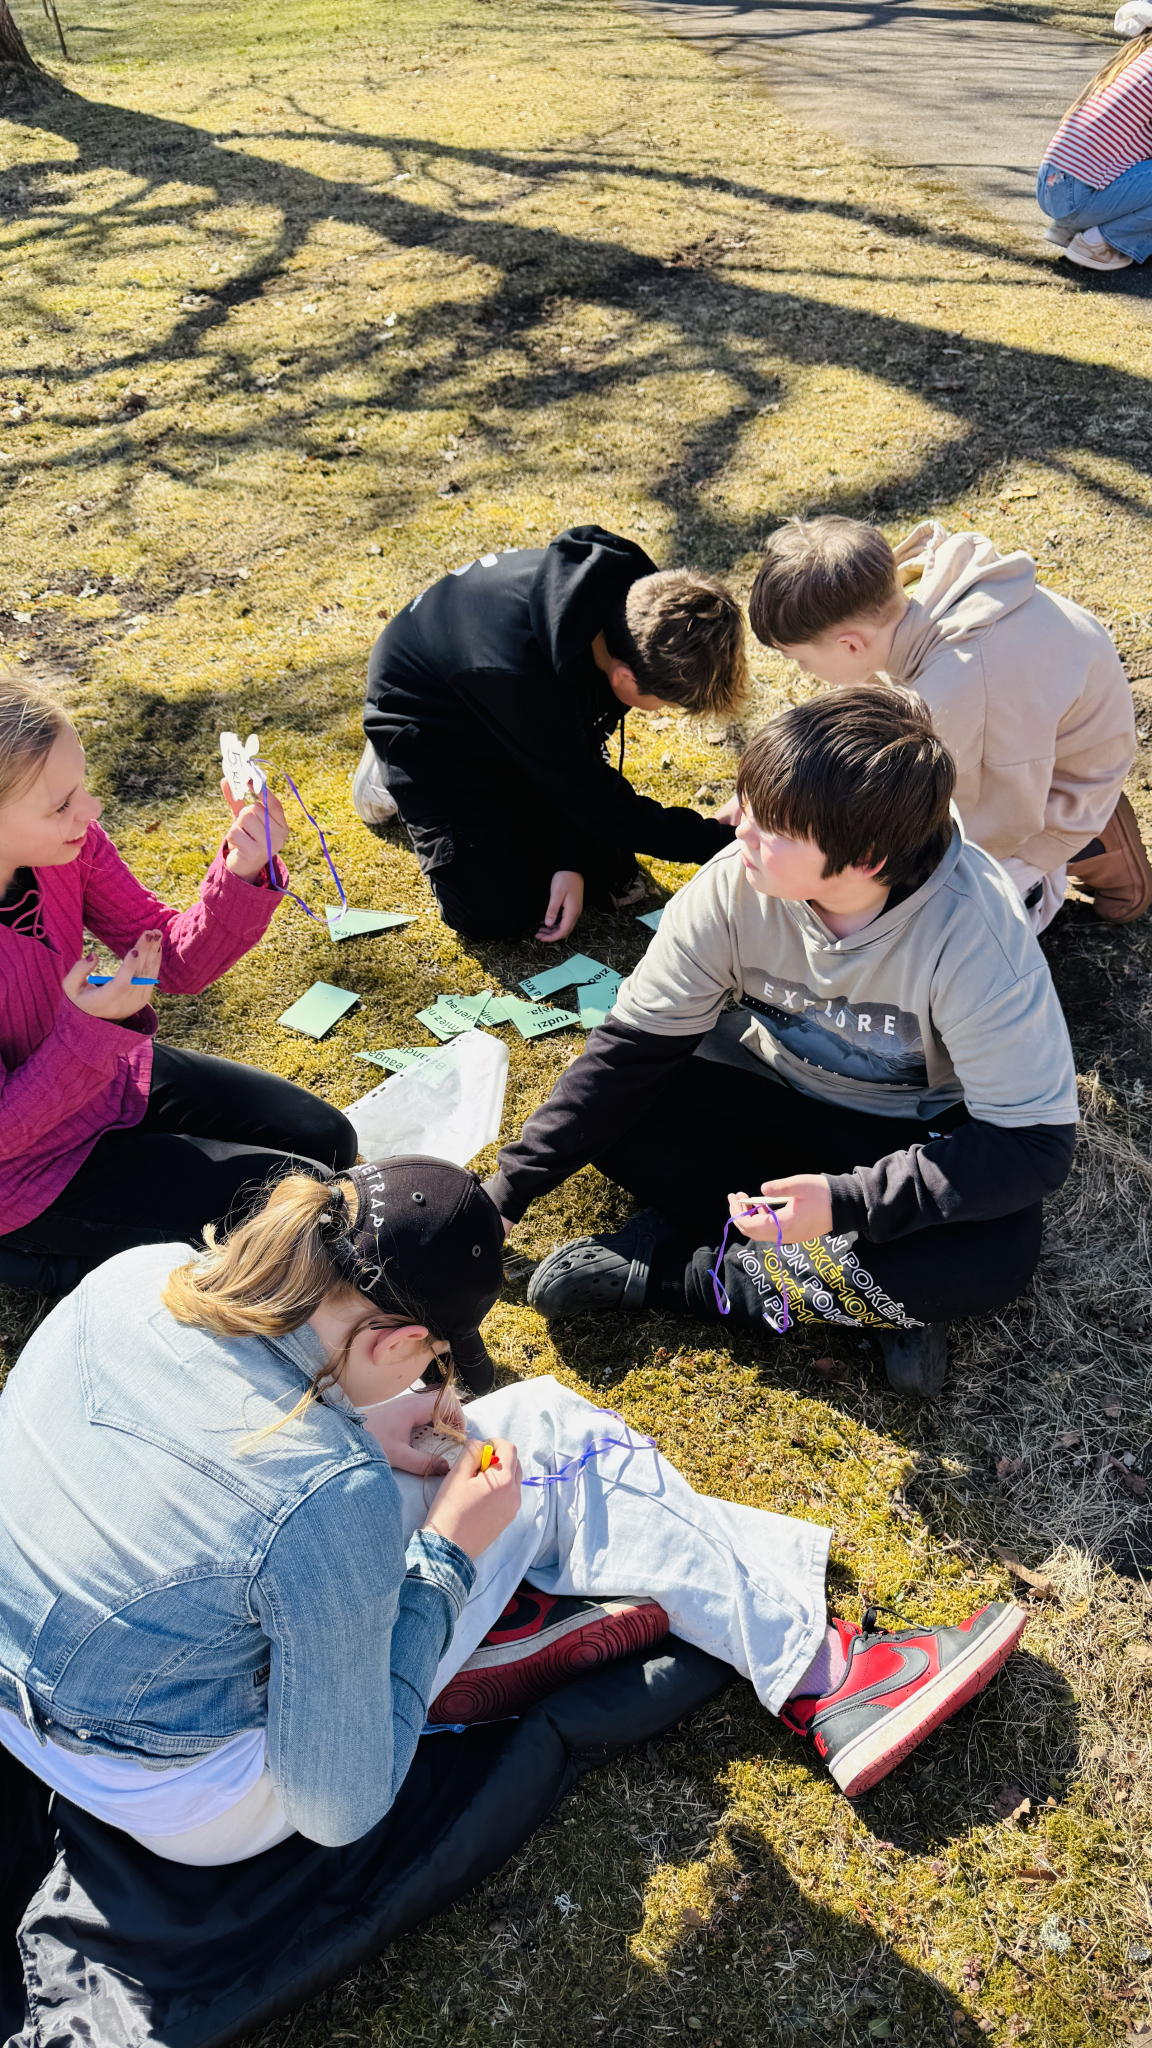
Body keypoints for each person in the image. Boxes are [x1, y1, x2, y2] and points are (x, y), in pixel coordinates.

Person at [0, 1154, 1027, 1869]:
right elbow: (335, 1807)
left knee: (505, 1443)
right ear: (395, 1341)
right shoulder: (323, 1499)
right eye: (431, 1363)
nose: (437, 1385)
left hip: (39, 1707)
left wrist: (369, 1429)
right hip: (194, 1790)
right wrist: (446, 1556)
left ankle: (767, 1641)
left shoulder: (134, 1276)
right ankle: (830, 1676)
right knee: (547, 1436)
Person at [491, 688, 1080, 1400]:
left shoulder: (977, 936)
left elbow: (1033, 1144)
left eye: (772, 828)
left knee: (996, 1252)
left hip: (902, 1138)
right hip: (763, 1094)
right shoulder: (731, 885)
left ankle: (685, 1273)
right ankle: (859, 1290)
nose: (739, 831)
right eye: (749, 806)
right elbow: (628, 1053)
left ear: (865, 860)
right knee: (616, 1113)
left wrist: (848, 1202)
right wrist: (505, 1195)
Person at [0, 676, 356, 1291]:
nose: (91, 809)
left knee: (329, 1142)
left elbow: (176, 960)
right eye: (61, 804)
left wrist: (243, 867)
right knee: (306, 1208)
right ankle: (35, 1259)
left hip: (109, 1077)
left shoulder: (72, 848)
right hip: (27, 1168)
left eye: (81, 785)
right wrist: (94, 1030)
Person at [746, 514, 1149, 931]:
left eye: (801, 660)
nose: (805, 672)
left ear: (850, 645)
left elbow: (999, 825)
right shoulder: (916, 593)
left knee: (939, 917)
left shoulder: (957, 693)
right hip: (1039, 746)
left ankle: (1092, 844)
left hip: (1056, 793)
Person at [354, 526, 748, 942]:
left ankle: (523, 797)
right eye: (666, 702)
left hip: (512, 705)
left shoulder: (640, 606)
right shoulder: (523, 677)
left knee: (606, 869)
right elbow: (597, 801)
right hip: (427, 723)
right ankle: (386, 775)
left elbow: (580, 771)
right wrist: (728, 844)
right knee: (493, 912)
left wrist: (570, 856)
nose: (665, 709)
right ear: (624, 678)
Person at [1036, 20, 1152, 271]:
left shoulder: (1140, 57)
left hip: (1054, 184)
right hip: (1075, 197)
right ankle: (1098, 244)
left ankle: (1072, 228)